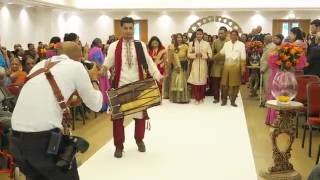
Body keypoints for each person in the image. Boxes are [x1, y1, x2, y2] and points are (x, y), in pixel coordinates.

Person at [10, 42, 103, 180]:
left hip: (16, 143)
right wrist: (94, 79)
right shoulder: (76, 66)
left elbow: (43, 98)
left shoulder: (40, 65)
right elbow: (96, 105)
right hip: (43, 142)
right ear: (79, 58)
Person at [103, 17, 162, 158]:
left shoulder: (140, 44)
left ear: (133, 29)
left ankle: (139, 139)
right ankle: (119, 146)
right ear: (121, 29)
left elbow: (148, 61)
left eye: (131, 28)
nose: (128, 31)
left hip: (138, 85)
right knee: (118, 118)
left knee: (140, 116)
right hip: (120, 86)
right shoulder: (114, 46)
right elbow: (107, 63)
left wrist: (158, 75)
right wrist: (102, 69)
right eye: (126, 28)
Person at [219, 30, 246, 107]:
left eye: (235, 35)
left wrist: (243, 67)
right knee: (224, 85)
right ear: (230, 36)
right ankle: (224, 100)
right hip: (226, 68)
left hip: (236, 67)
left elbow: (243, 57)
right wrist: (213, 58)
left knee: (235, 85)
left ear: (237, 36)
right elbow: (221, 53)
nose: (233, 36)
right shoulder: (226, 44)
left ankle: (233, 101)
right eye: (232, 35)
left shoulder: (241, 44)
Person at [187, 28, 212, 104]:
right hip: (195, 64)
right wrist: (195, 55)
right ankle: (196, 98)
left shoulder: (206, 44)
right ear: (195, 35)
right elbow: (188, 55)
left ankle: (201, 97)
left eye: (200, 34)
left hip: (203, 64)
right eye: (197, 34)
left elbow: (210, 55)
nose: (199, 35)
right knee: (195, 82)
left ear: (203, 35)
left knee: (202, 81)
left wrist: (203, 55)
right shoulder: (191, 43)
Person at [88, 38, 110, 111]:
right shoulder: (97, 50)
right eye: (101, 42)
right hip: (100, 72)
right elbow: (96, 60)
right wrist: (101, 69)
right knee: (103, 89)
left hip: (94, 73)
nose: (101, 44)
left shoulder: (91, 50)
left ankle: (100, 106)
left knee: (99, 89)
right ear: (98, 43)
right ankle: (103, 106)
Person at [169, 33, 190, 103]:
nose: (179, 39)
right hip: (175, 66)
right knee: (176, 82)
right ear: (175, 39)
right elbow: (171, 58)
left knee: (182, 82)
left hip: (183, 65)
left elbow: (188, 56)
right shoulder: (172, 46)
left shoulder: (185, 46)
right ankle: (175, 98)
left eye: (180, 37)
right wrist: (175, 65)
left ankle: (182, 98)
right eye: (178, 37)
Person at [210, 26, 227, 103]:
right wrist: (214, 57)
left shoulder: (229, 42)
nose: (220, 35)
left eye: (222, 33)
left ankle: (224, 98)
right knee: (216, 83)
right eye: (219, 33)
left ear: (225, 33)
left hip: (226, 64)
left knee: (224, 83)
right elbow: (212, 52)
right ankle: (216, 98)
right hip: (216, 64)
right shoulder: (215, 41)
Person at [260, 35, 276, 103]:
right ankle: (266, 99)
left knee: (267, 85)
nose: (264, 40)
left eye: (265, 39)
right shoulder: (268, 46)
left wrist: (263, 69)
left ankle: (268, 100)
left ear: (268, 40)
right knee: (266, 85)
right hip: (266, 69)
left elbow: (268, 59)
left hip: (268, 69)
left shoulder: (271, 47)